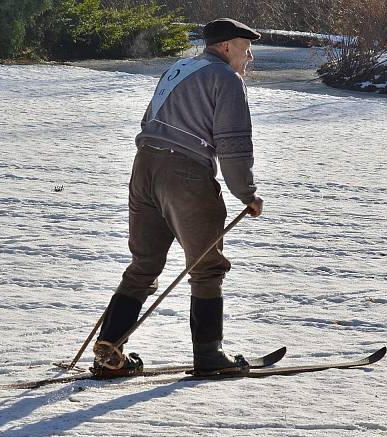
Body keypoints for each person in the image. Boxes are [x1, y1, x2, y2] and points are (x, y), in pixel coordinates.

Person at [91, 18, 264, 377]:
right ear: (227, 46)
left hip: (144, 167)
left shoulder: (180, 67)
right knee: (207, 265)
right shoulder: (226, 78)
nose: (250, 58)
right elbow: (233, 144)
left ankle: (110, 351)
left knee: (144, 265)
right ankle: (209, 355)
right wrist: (246, 192)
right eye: (246, 49)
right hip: (183, 174)